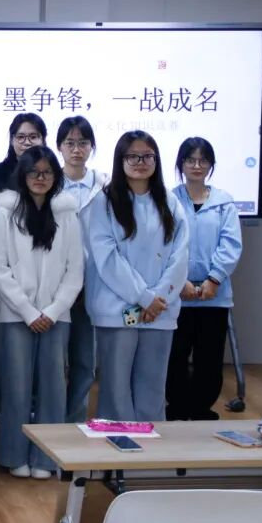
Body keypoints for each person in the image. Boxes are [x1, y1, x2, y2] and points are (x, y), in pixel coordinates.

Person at [0, 146, 83, 479]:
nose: (40, 178)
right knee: (16, 387)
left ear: (56, 176)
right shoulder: (6, 212)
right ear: (23, 175)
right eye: (33, 172)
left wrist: (53, 310)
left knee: (53, 387)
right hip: (16, 315)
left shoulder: (67, 214)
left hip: (57, 316)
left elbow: (75, 270)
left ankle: (46, 458)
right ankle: (14, 454)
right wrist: (29, 311)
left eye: (46, 173)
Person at [86, 131, 189, 422]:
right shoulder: (104, 202)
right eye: (132, 156)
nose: (140, 162)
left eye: (147, 156)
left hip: (160, 311)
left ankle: (150, 447)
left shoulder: (170, 202)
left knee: (152, 387)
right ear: (121, 160)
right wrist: (144, 297)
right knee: (116, 389)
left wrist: (158, 298)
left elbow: (180, 255)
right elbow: (107, 258)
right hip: (119, 310)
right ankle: (118, 447)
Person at [167, 137, 243, 421]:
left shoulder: (224, 202)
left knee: (209, 357)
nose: (197, 166)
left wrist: (214, 279)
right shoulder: (169, 200)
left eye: (203, 160)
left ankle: (201, 410)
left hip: (215, 294)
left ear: (211, 164)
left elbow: (231, 244)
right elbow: (166, 244)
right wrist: (180, 281)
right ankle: (177, 408)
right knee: (175, 355)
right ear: (181, 164)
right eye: (190, 160)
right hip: (178, 293)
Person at [0, 112, 47, 419]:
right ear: (11, 140)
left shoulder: (50, 173)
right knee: (0, 341)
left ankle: (35, 402)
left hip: (43, 271)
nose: (26, 142)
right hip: (2, 268)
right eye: (20, 137)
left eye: (33, 136)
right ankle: (1, 403)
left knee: (40, 337)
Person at [56, 116, 110, 423]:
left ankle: (75, 419)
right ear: (59, 147)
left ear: (91, 147)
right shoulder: (49, 182)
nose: (77, 149)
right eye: (70, 143)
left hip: (92, 281)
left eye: (83, 143)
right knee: (53, 358)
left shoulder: (105, 185)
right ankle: (50, 418)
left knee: (85, 358)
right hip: (56, 282)